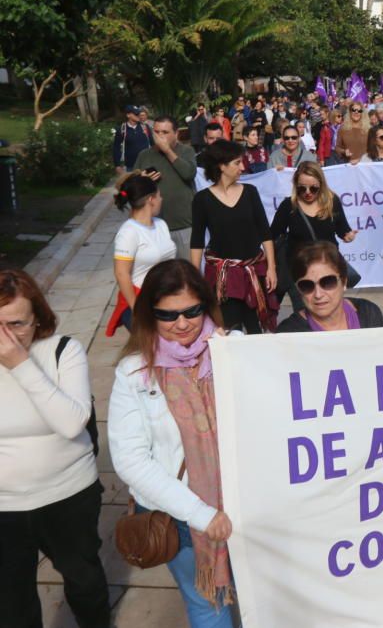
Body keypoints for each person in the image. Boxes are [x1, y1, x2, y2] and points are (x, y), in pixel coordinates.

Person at [107, 260, 237, 628]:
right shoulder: (133, 373)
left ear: (206, 305)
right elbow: (131, 461)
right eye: (168, 315)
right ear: (150, 313)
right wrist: (201, 514)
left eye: (192, 311)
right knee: (208, 607)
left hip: (245, 506)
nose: (182, 324)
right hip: (182, 519)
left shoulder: (233, 350)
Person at [0, 268, 110, 628]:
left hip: (68, 495)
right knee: (12, 602)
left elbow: (69, 422)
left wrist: (20, 366)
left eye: (16, 324)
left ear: (38, 320)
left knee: (85, 584)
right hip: (5, 506)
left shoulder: (64, 351)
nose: (6, 337)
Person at [191, 140, 278, 333]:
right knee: (230, 329)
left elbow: (265, 232)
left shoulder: (250, 192)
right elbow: (197, 240)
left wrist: (271, 268)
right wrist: (194, 276)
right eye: (237, 163)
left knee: (257, 329)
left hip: (253, 272)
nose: (243, 167)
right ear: (222, 166)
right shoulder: (202, 199)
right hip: (224, 277)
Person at [271, 161, 356, 309]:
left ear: (321, 184)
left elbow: (342, 230)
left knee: (329, 310)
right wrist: (271, 267)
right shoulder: (289, 206)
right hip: (299, 271)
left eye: (314, 188)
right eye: (302, 188)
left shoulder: (332, 202)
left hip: (328, 268)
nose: (308, 192)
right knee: (305, 313)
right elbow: (271, 236)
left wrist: (348, 236)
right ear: (296, 185)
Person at [107, 172, 176, 336]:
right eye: (159, 196)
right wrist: (137, 309)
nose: (162, 199)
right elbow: (121, 272)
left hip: (165, 297)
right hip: (141, 299)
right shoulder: (129, 232)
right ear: (151, 200)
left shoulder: (161, 225)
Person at [276, 242, 383, 332]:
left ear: (344, 282)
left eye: (328, 282)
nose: (318, 294)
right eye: (306, 285)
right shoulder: (289, 333)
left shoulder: (369, 314)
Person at [132, 115, 197, 258]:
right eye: (157, 132)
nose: (160, 136)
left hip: (183, 224)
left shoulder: (187, 151)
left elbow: (188, 173)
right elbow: (130, 188)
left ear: (176, 133)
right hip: (152, 226)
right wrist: (143, 180)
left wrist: (168, 151)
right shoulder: (145, 155)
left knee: (187, 273)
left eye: (165, 132)